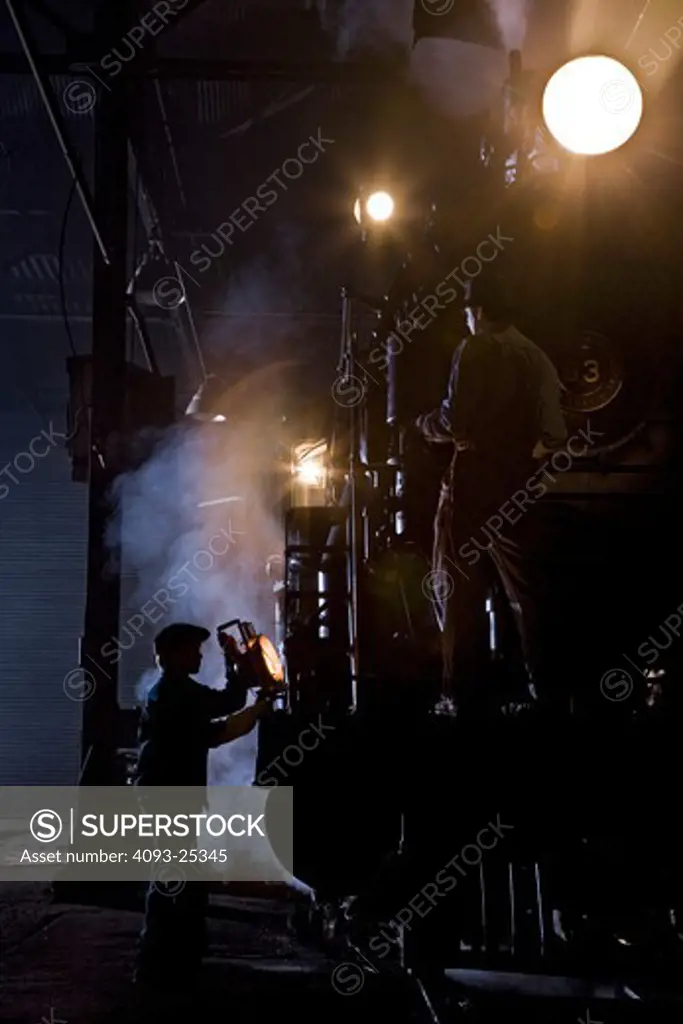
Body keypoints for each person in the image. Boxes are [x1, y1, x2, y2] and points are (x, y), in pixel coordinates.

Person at [416, 275, 567, 714]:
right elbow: (555, 435)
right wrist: (518, 451)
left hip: (473, 481)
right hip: (519, 483)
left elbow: (455, 421)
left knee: (456, 584)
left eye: (467, 312)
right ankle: (544, 691)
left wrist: (424, 425)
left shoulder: (476, 348)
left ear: (478, 311)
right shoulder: (535, 356)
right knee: (525, 591)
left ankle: (461, 695)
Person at [133, 621, 274, 986]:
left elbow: (224, 708)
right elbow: (220, 721)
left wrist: (237, 671)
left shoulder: (172, 691)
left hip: (165, 794)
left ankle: (175, 958)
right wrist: (256, 706)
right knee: (173, 880)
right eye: (193, 650)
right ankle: (157, 965)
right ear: (172, 655)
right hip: (169, 798)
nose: (198, 655)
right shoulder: (176, 694)